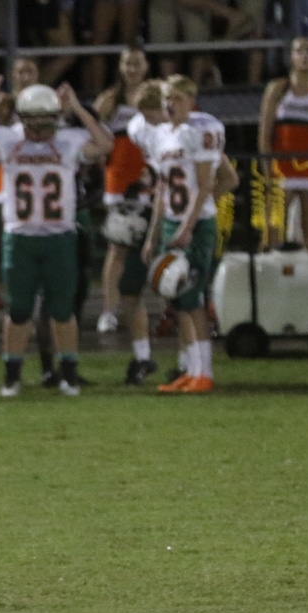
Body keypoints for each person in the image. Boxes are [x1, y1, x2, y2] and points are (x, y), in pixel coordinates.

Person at [0, 78, 113, 397]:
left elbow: (105, 144)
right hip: (20, 237)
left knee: (62, 311)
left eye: (47, 122)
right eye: (35, 122)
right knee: (18, 311)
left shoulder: (69, 139)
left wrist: (78, 109)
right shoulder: (8, 139)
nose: (41, 130)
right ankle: (12, 376)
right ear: (22, 118)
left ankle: (68, 374)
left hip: (60, 237)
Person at [140, 75, 225, 394]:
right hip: (172, 222)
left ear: (190, 101)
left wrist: (187, 227)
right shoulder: (159, 135)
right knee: (177, 301)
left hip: (197, 224)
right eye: (166, 98)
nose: (170, 104)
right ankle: (191, 369)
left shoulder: (198, 132)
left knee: (193, 299)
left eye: (176, 98)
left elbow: (205, 185)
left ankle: (204, 372)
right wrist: (153, 235)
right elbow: (162, 189)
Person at [257, 37, 308, 252]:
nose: (304, 56)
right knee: (272, 225)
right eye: (299, 51)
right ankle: (267, 266)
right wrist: (267, 170)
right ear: (291, 57)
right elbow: (265, 134)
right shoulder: (277, 89)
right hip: (281, 167)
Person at [114, 81, 170, 384]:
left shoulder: (183, 130)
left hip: (177, 213)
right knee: (129, 287)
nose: (150, 118)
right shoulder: (137, 127)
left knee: (180, 293)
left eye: (154, 111)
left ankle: (192, 363)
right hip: (152, 210)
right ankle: (143, 357)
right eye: (145, 112)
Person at [94, 47, 151, 335]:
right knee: (118, 247)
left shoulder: (155, 97)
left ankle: (165, 309)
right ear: (120, 67)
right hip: (119, 182)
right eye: (128, 63)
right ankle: (109, 311)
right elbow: (94, 138)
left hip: (152, 180)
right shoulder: (109, 100)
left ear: (146, 65)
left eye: (137, 63)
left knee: (158, 244)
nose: (132, 69)